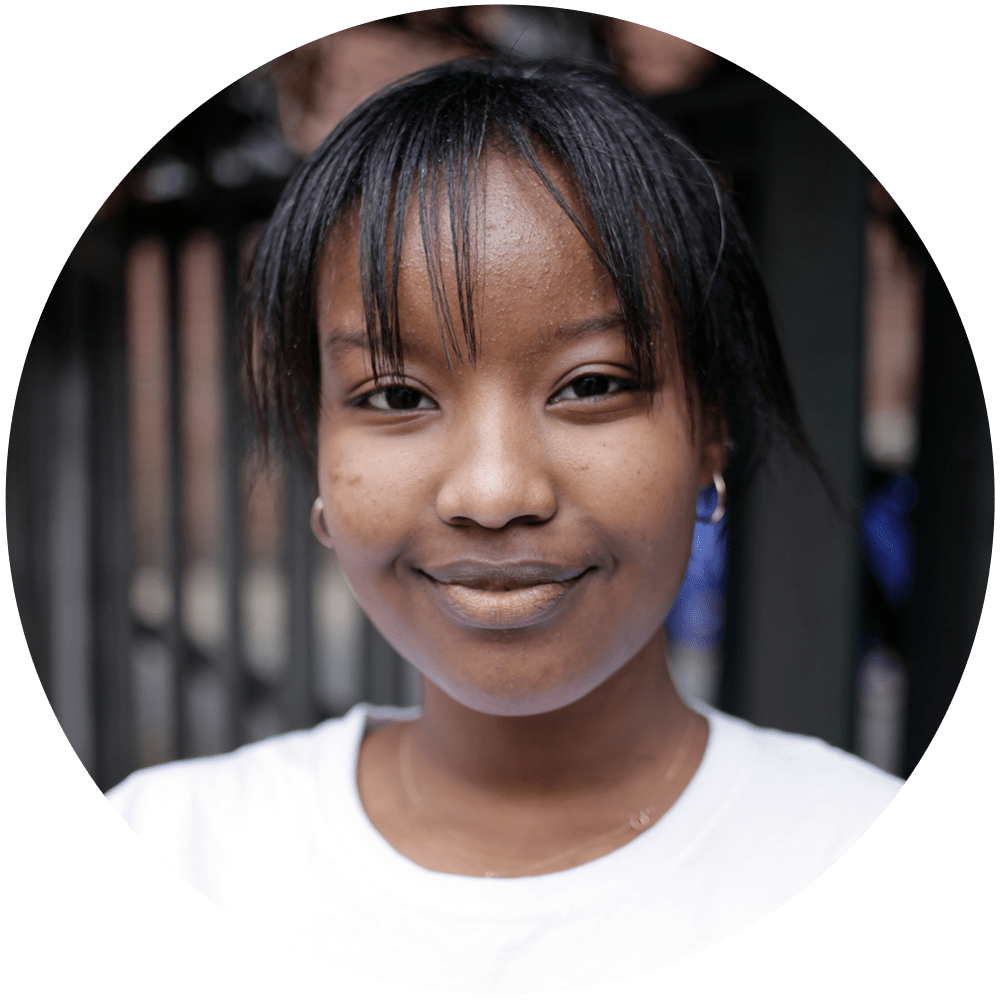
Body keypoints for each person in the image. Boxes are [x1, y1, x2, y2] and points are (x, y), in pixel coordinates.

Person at [107, 59, 903, 993]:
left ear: (709, 434)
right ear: (317, 450)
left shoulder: (864, 859)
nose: (492, 493)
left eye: (592, 384)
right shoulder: (172, 852)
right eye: (395, 395)